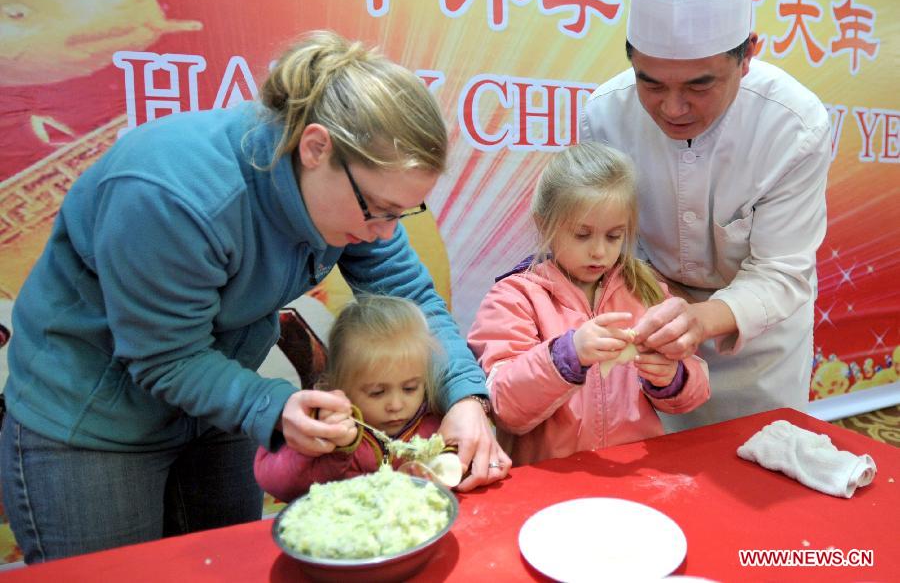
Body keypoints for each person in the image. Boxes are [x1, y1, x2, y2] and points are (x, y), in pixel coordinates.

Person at [0, 30, 508, 563]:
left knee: (225, 568)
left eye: (401, 213)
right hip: (91, 421)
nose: (386, 232)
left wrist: (465, 397)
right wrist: (270, 404)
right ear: (316, 148)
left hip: (217, 403)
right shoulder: (174, 195)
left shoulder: (355, 197)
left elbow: (411, 296)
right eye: (378, 209)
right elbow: (167, 356)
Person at [580, 0, 831, 430]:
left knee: (753, 470)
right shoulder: (605, 114)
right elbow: (602, 236)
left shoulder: (794, 124)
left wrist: (700, 319)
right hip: (646, 327)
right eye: (650, 83)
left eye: (699, 85)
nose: (672, 108)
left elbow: (782, 270)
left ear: (747, 57)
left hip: (757, 341)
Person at [467, 142, 710, 466]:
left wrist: (672, 377)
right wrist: (567, 355)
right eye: (582, 235)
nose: (599, 252)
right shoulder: (514, 299)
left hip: (634, 473)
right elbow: (505, 407)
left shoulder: (645, 289)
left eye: (614, 236)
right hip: (547, 480)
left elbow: (697, 384)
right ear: (544, 226)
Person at [255, 295, 449, 501]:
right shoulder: (319, 427)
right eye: (377, 392)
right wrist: (334, 448)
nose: (396, 405)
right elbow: (278, 483)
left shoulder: (438, 422)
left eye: (410, 388)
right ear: (339, 386)